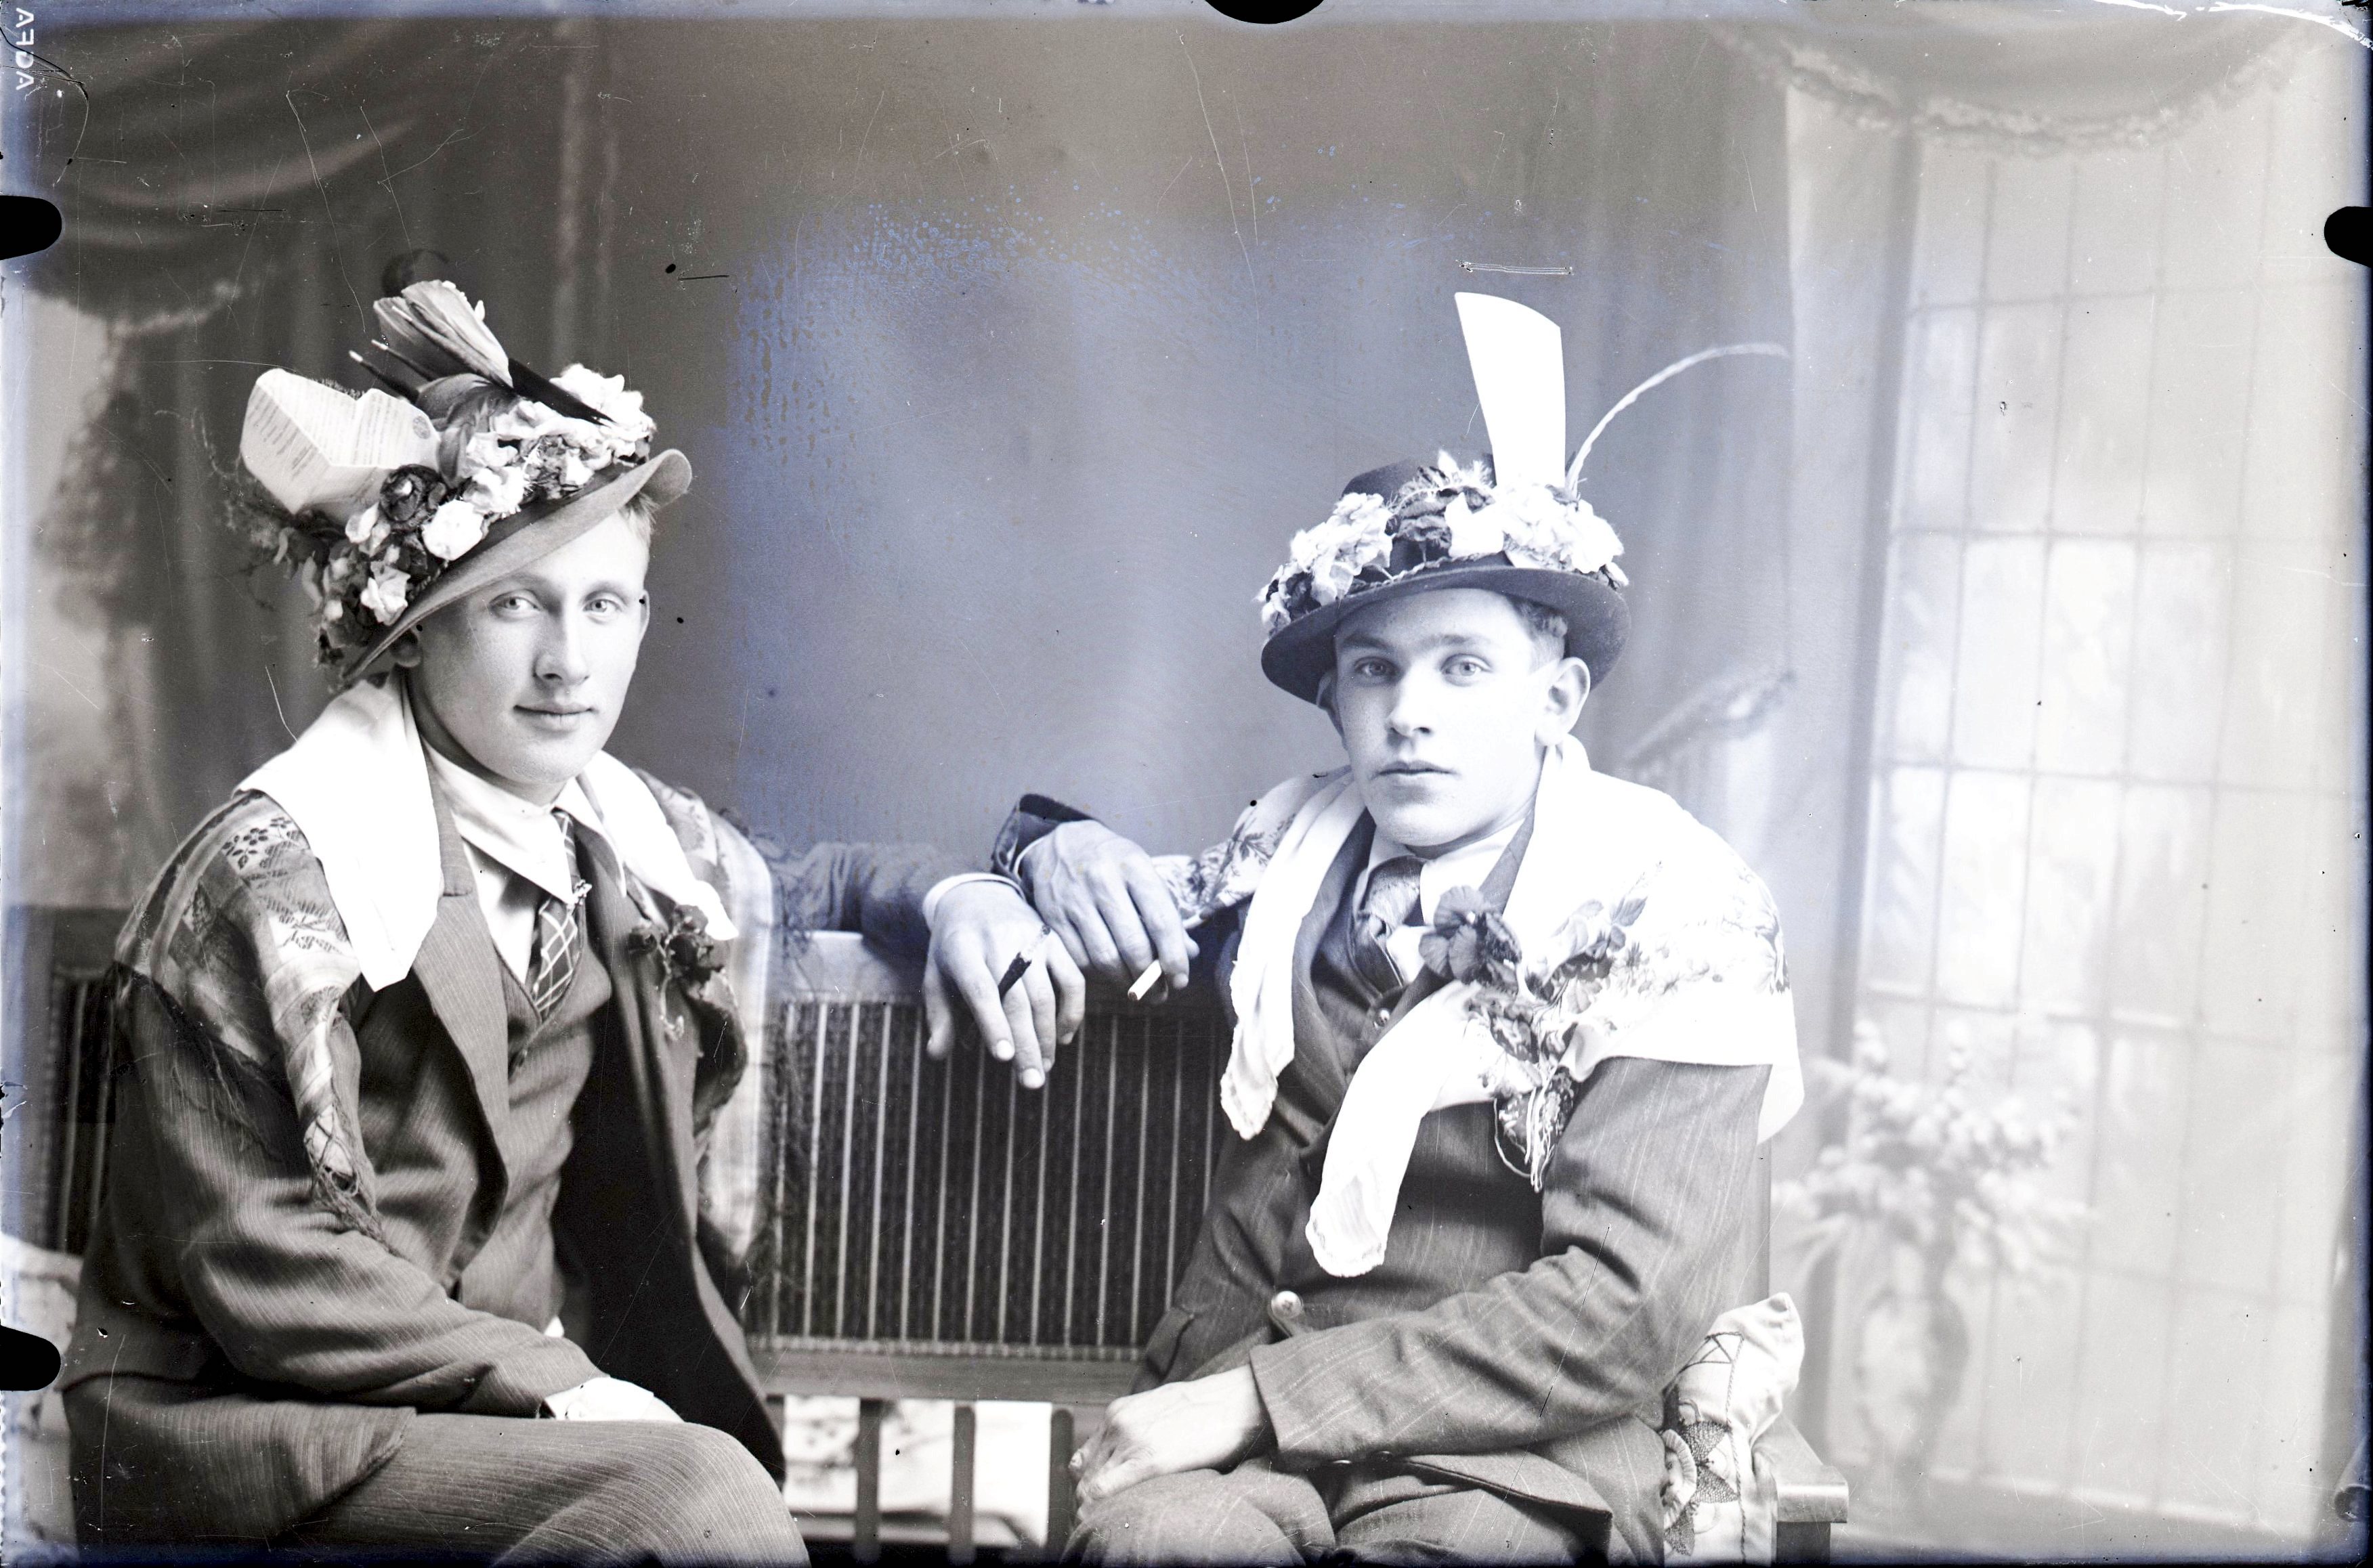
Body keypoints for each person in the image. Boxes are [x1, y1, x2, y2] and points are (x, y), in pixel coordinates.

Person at [58, 282, 1074, 1562]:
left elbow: (799, 879)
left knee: (699, 1492)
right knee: (693, 1501)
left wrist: (956, 895)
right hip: (249, 1426)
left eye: (605, 605)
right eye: (514, 604)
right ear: (410, 633)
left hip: (476, 1415)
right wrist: (565, 1388)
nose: (568, 664)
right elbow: (265, 1256)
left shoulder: (620, 832)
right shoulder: (270, 877)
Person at [996, 296, 1804, 1562]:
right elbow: (1122, 901)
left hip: (1509, 1464)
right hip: (1235, 1441)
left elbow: (1625, 1310)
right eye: (1374, 669)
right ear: (1335, 700)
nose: (1409, 713)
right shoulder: (1290, 851)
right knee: (1159, 1554)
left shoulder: (1679, 905)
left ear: (1557, 697)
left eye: (1462, 667)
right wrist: (1040, 851)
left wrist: (1260, 1401)